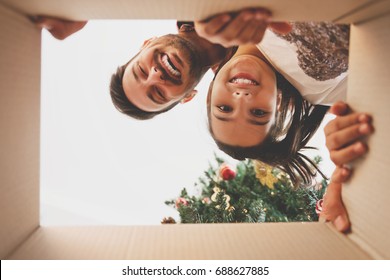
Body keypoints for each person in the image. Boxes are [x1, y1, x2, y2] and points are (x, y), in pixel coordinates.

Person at [31, 10, 290, 120]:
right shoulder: (257, 80)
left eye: (141, 70)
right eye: (157, 93)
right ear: (188, 97)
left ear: (148, 42)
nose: (155, 76)